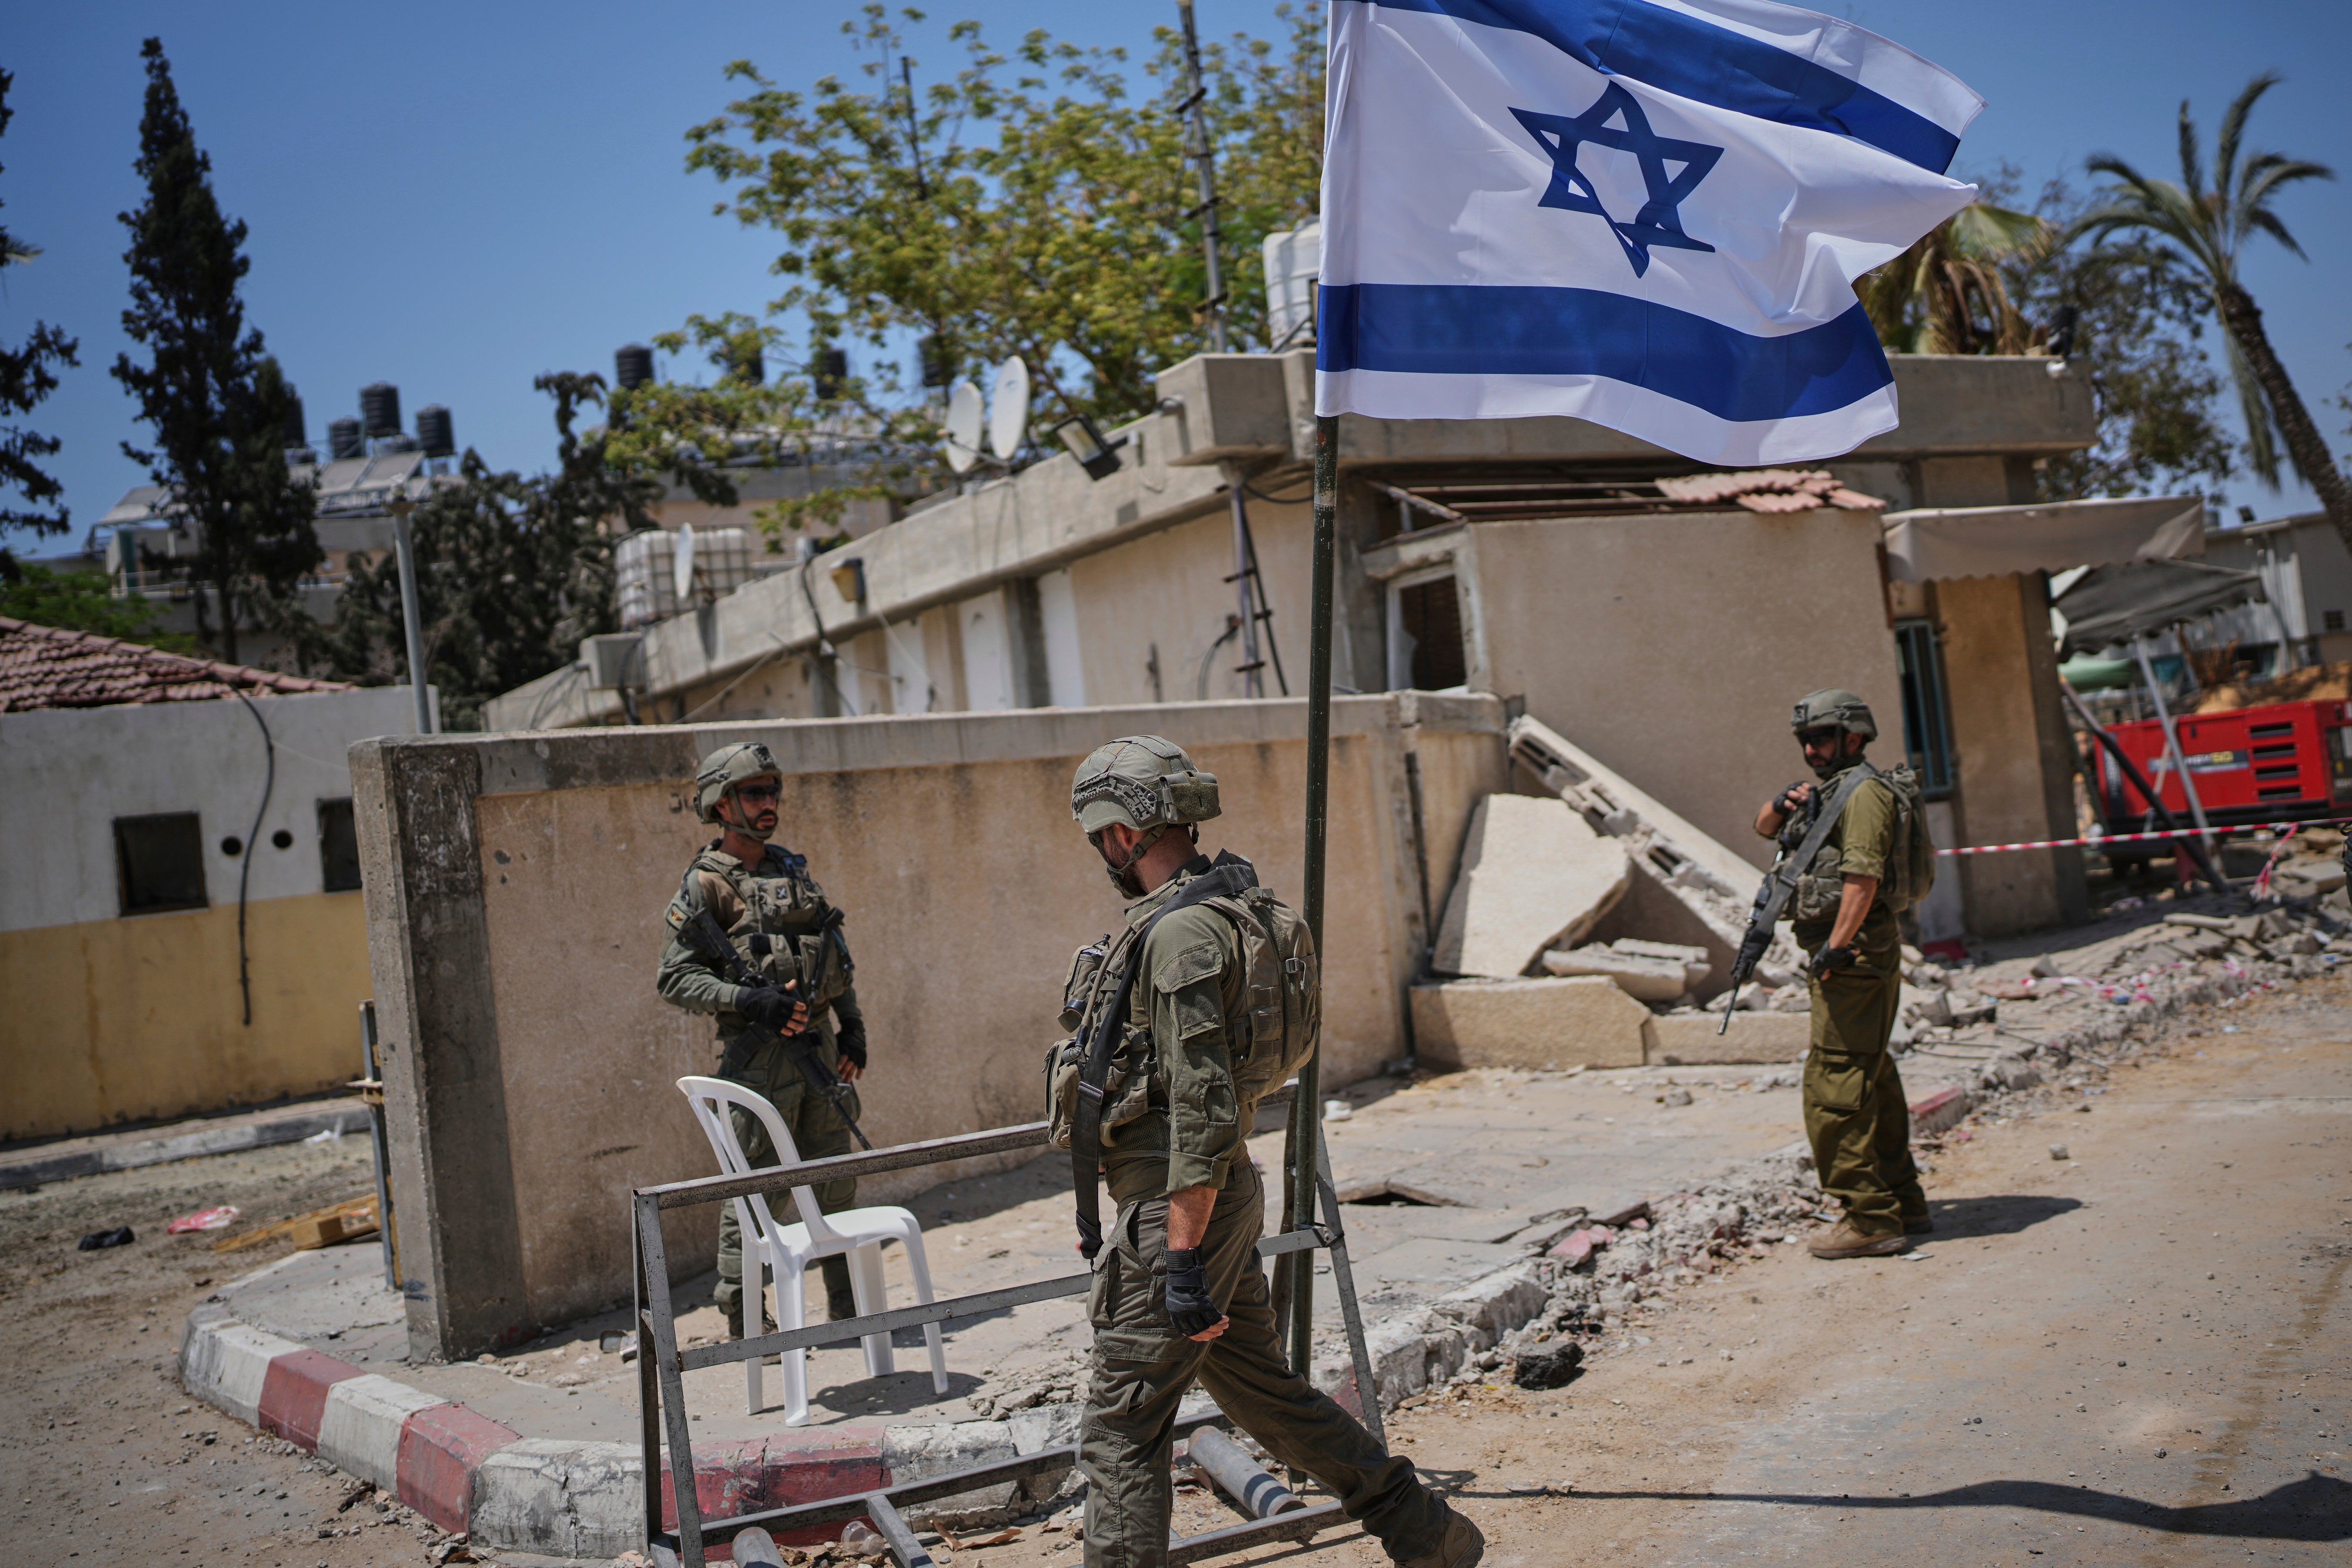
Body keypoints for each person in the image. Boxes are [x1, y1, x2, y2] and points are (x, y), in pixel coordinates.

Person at [1054, 735, 1483, 1568]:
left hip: (1179, 1208)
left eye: (1099, 834)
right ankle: (1421, 1528)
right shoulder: (1240, 910)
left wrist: (1178, 1258)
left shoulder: (1180, 935)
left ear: (1120, 831)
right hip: (1216, 1196)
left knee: (1121, 1426)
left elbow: (1203, 1107)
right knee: (1262, 1392)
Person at [657, 741, 869, 1336]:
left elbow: (833, 953)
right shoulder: (707, 886)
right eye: (754, 792)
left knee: (834, 1176)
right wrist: (748, 999)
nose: (768, 802)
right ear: (720, 805)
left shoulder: (791, 870)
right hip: (758, 1064)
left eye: (772, 791)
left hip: (819, 1051)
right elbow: (673, 977)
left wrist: (850, 1024)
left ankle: (845, 1310)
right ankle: (744, 1315)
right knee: (754, 1188)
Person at [1752, 690, 1930, 1261]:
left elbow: (1861, 878)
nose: (1811, 748)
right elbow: (1761, 828)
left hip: (1851, 959)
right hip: (1850, 956)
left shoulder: (1864, 795)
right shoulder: (1828, 791)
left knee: (1834, 1084)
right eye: (1806, 739)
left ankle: (1867, 1216)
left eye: (1823, 737)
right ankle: (1901, 1199)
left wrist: (1835, 946)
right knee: (1870, 1073)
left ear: (1855, 736)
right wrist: (1782, 803)